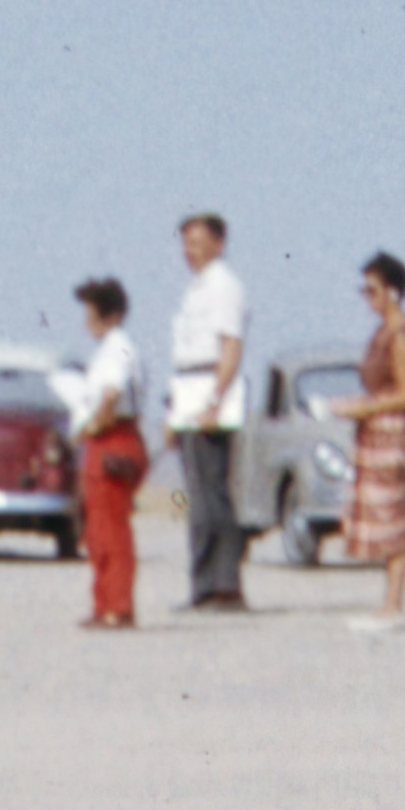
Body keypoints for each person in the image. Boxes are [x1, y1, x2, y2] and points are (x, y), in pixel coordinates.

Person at [162, 213, 251, 611]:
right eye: (185, 243)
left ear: (218, 243)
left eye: (197, 242)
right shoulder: (195, 290)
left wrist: (216, 400)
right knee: (194, 498)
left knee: (212, 495)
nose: (189, 251)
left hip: (209, 393)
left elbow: (230, 346)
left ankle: (225, 584)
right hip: (187, 392)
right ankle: (203, 583)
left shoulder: (225, 287)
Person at [343, 252, 405, 628]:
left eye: (372, 289)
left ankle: (394, 605)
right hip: (376, 430)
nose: (367, 297)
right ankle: (388, 603)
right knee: (379, 515)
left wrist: (364, 407)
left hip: (390, 433)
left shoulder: (401, 335)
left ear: (391, 291)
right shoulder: (384, 332)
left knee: (390, 515)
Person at [57, 276, 149, 628]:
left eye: (91, 314)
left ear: (109, 316)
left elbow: (111, 393)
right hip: (119, 436)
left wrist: (94, 426)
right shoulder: (118, 347)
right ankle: (106, 602)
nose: (86, 323)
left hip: (113, 438)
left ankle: (117, 605)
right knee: (100, 526)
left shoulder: (115, 349)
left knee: (109, 528)